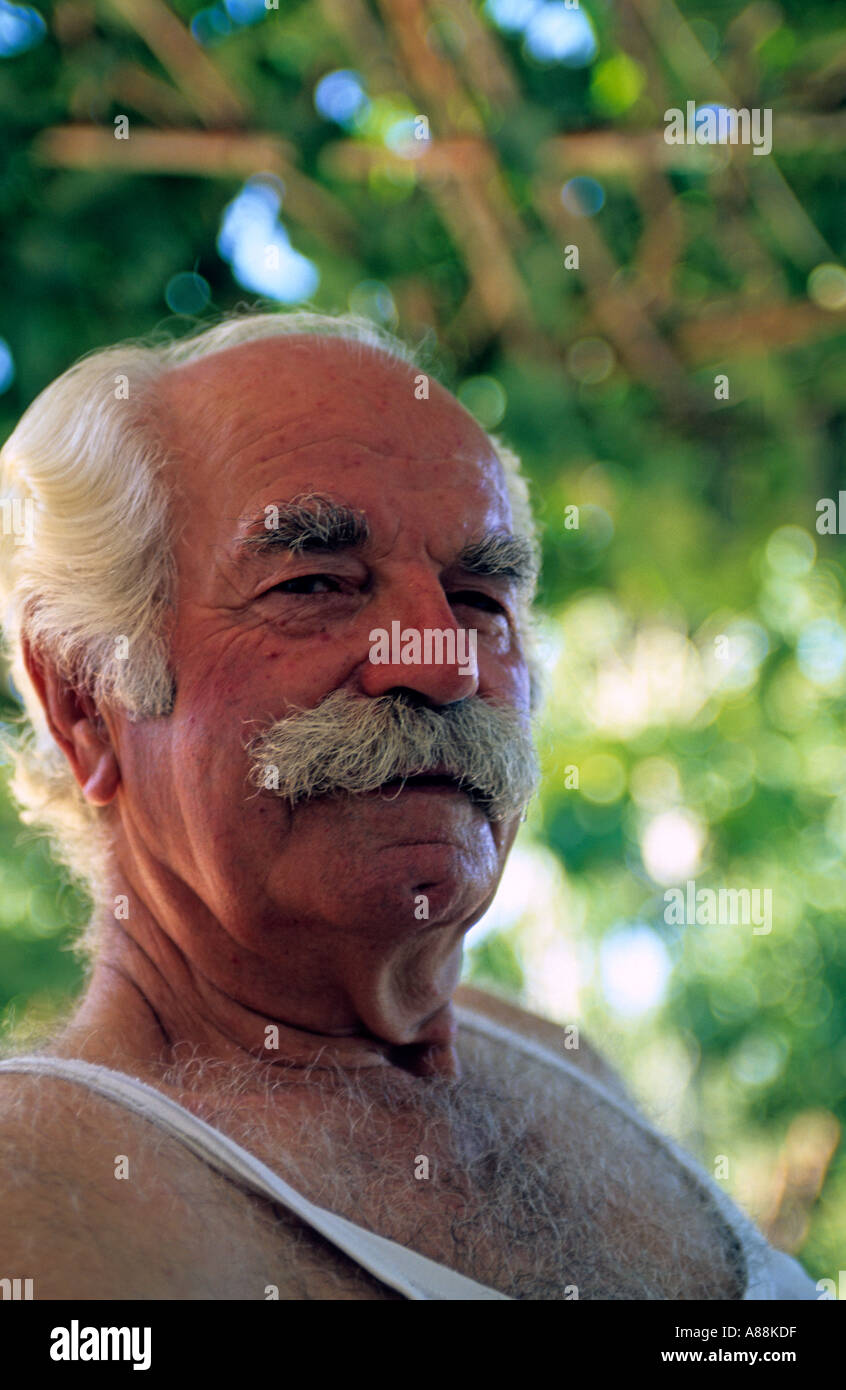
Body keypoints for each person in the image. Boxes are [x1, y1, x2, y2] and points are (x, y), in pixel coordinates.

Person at [0, 311, 816, 1300]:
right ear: (85, 699)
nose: (443, 662)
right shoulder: (39, 1199)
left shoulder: (558, 1061)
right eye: (314, 584)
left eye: (480, 599)